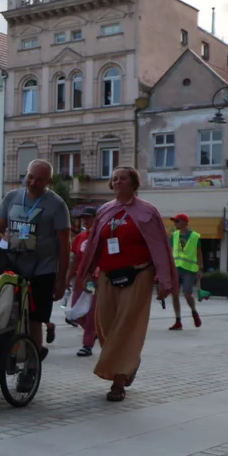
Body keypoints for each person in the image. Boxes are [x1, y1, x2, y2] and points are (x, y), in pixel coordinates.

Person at [75, 167, 175, 401]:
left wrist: (164, 279)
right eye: (114, 178)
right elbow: (94, 244)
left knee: (126, 326)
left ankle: (118, 382)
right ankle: (129, 361)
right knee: (106, 325)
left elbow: (159, 247)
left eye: (123, 178)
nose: (117, 181)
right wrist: (87, 271)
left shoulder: (147, 211)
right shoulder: (105, 210)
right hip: (108, 275)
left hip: (139, 275)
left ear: (134, 183)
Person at [0, 160, 70, 360]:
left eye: (40, 180)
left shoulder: (57, 205)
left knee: (35, 318)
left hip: (43, 269)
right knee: (8, 313)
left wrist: (61, 281)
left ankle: (31, 367)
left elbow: (65, 246)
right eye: (30, 177)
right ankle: (29, 352)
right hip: (13, 267)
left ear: (48, 181)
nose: (33, 182)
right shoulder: (12, 197)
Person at [65, 207, 98, 356]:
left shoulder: (99, 236)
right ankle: (94, 333)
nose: (85, 220)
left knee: (90, 312)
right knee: (76, 313)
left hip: (94, 279)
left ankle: (87, 344)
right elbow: (73, 260)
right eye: (83, 218)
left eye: (88, 217)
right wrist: (67, 278)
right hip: (80, 278)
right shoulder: (79, 238)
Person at [168, 213, 203, 330]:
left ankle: (194, 312)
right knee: (175, 294)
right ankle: (178, 321)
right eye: (175, 221)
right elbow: (169, 251)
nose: (175, 223)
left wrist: (200, 269)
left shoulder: (195, 237)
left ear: (184, 222)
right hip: (176, 268)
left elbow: (199, 254)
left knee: (187, 294)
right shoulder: (174, 235)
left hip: (189, 270)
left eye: (177, 221)